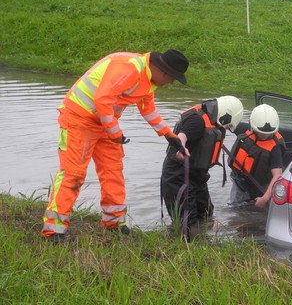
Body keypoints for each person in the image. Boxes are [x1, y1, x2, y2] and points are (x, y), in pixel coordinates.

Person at [42, 49, 189, 243]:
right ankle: (53, 230)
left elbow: (148, 109)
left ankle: (113, 222)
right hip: (79, 118)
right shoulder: (130, 68)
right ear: (164, 72)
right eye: (172, 79)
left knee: (113, 171)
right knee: (73, 173)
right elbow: (102, 98)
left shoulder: (149, 80)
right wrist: (114, 132)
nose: (170, 83)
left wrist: (170, 136)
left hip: (104, 122)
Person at [161, 95, 244, 234]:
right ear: (225, 115)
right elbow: (182, 136)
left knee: (206, 214)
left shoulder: (212, 119)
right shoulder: (197, 120)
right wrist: (181, 146)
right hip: (178, 176)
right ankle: (183, 246)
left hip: (197, 176)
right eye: (228, 125)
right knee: (187, 221)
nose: (227, 127)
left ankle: (202, 243)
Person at [228, 104, 286, 209]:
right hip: (240, 183)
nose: (264, 136)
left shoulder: (275, 148)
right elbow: (225, 125)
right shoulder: (244, 130)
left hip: (260, 189)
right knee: (235, 211)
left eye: (268, 133)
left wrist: (265, 198)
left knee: (257, 216)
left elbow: (277, 175)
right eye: (261, 132)